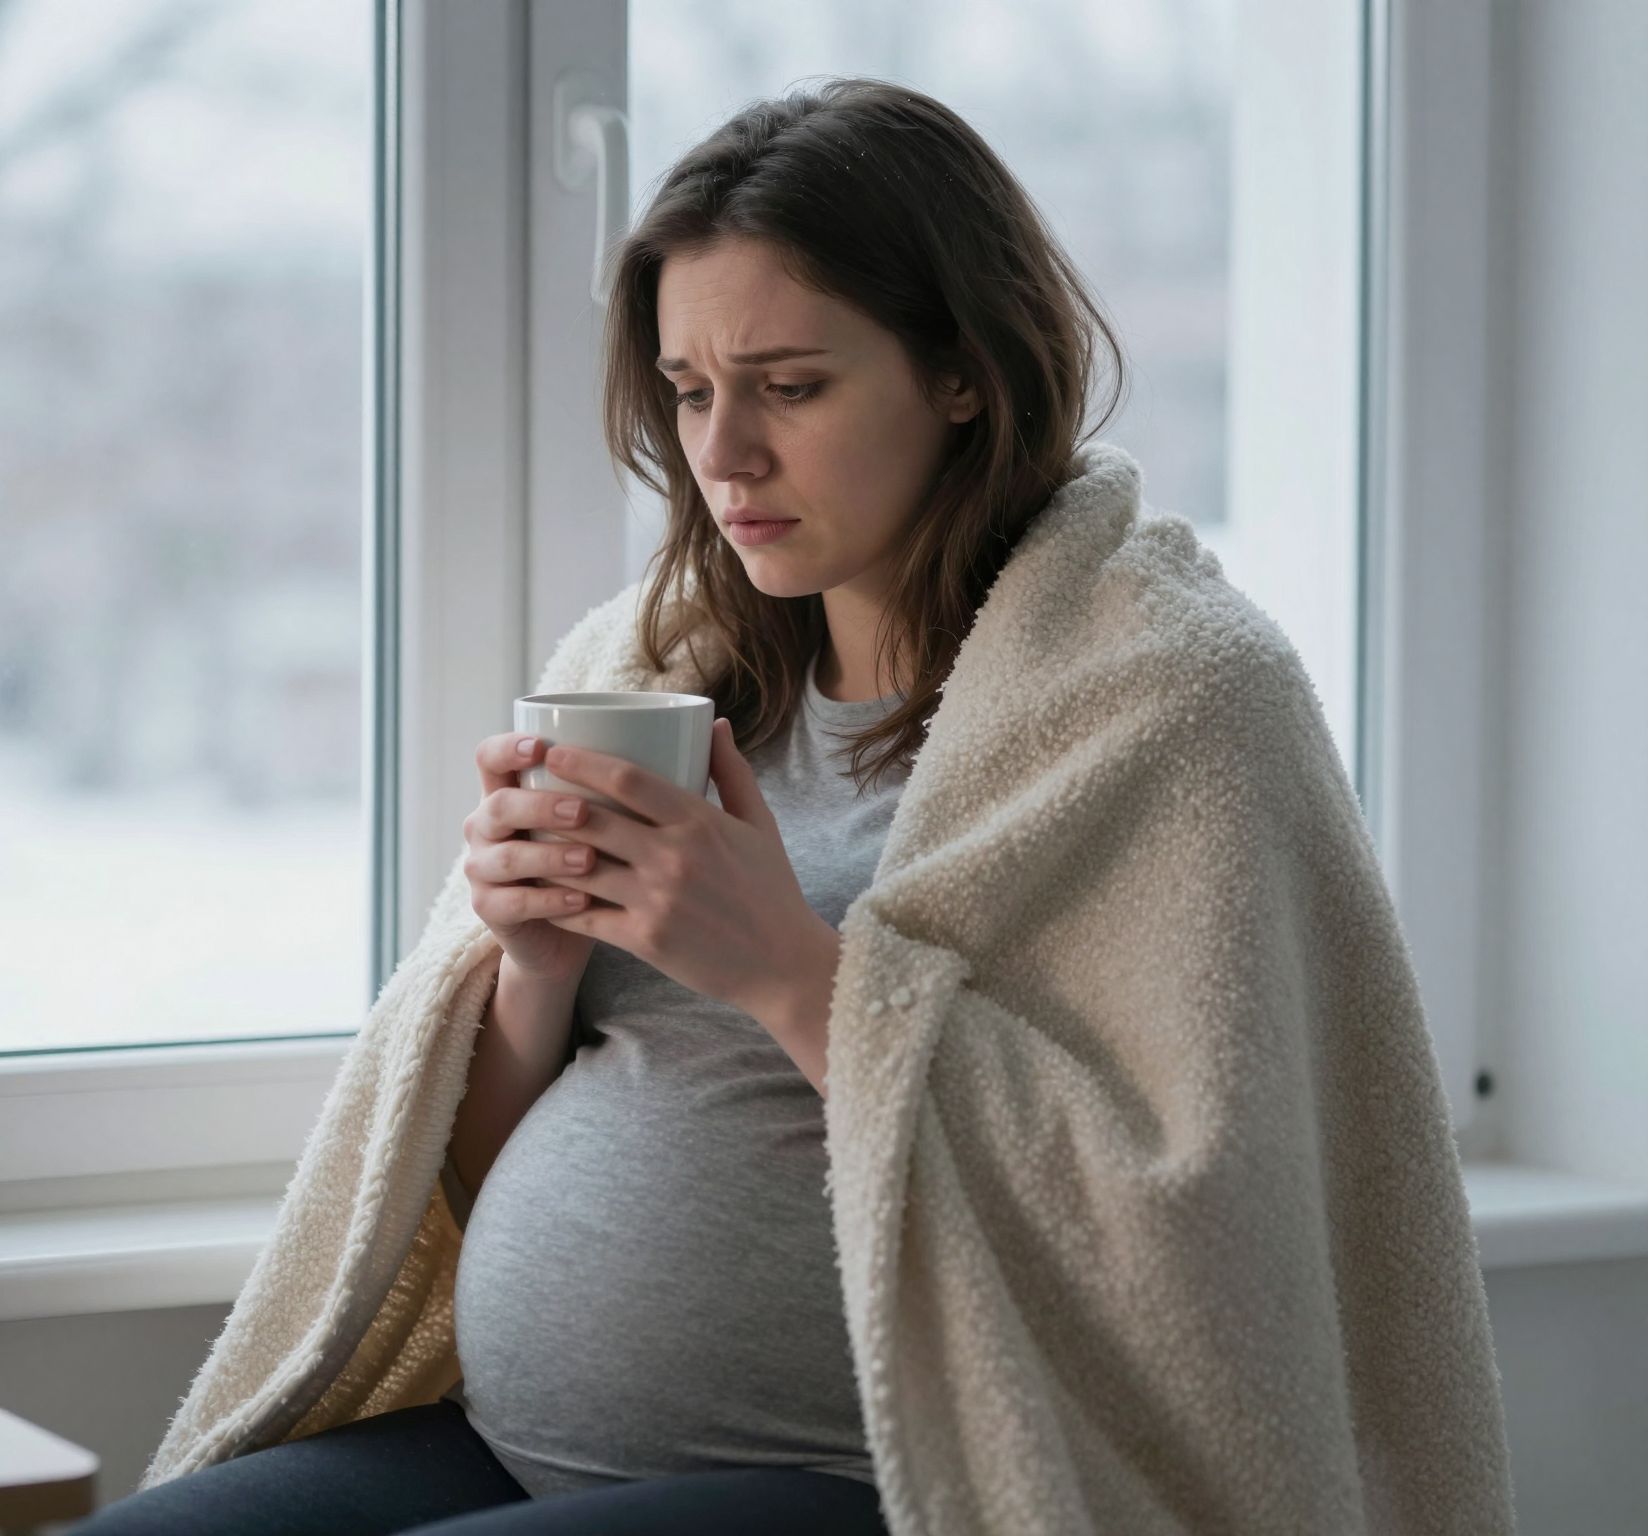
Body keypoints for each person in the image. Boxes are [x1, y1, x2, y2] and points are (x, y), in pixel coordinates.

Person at [77, 75, 1514, 1536]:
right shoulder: (654, 663)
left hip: (901, 1481)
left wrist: (789, 970)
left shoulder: (1169, 699)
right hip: (508, 1441)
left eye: (790, 385)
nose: (722, 456)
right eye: (692, 391)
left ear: (962, 369)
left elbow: (1194, 1227)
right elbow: (464, 1179)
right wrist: (532, 966)